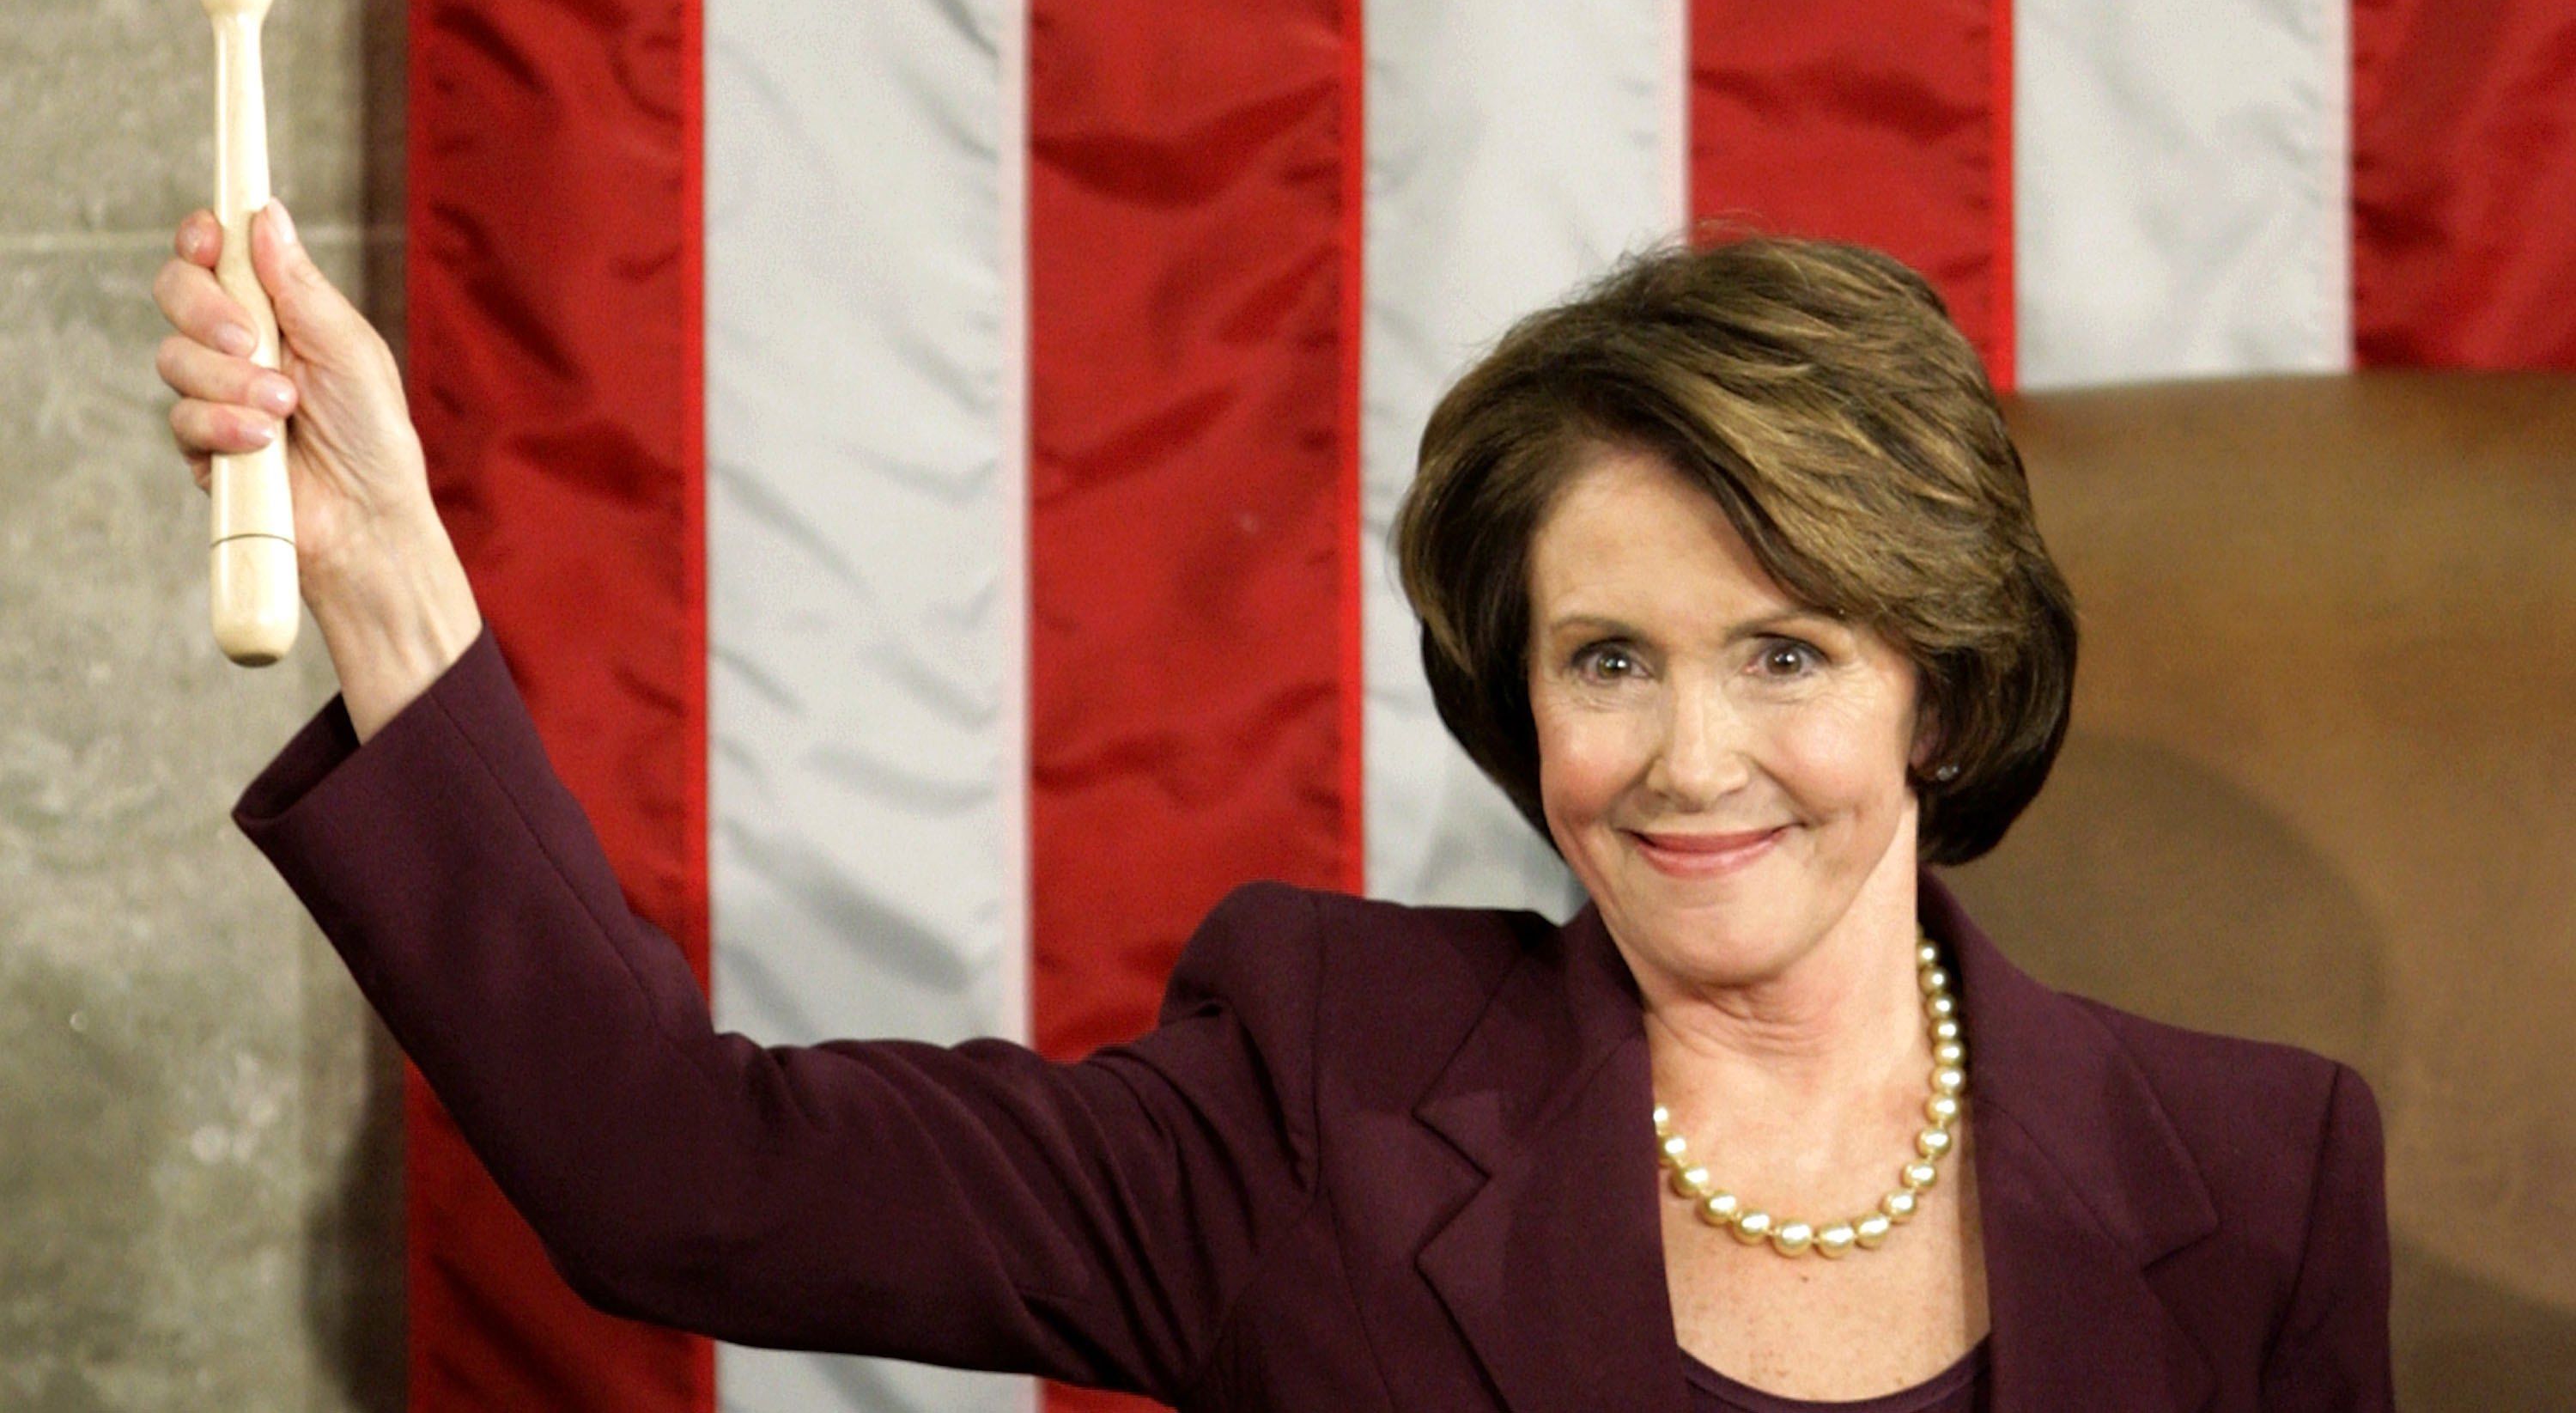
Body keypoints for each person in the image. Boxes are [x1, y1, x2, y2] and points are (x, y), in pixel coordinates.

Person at [154, 202, 2394, 1410]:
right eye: (1607, 659)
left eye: (1785, 651)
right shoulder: (1322, 1100)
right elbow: (676, 1178)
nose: (1689, 760)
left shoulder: (2260, 1174)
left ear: (1944, 687)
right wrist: (381, 564)